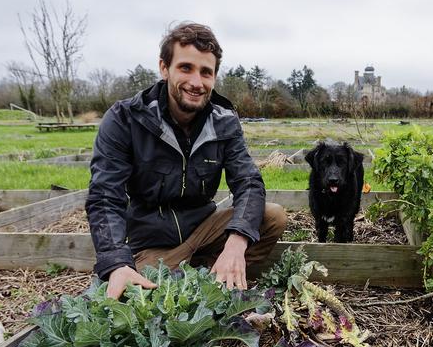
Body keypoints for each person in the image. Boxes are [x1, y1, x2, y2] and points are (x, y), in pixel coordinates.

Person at [85, 22, 287, 299]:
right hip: (153, 244)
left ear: (214, 77)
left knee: (272, 216)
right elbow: (105, 195)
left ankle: (211, 271)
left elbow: (249, 183)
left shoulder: (224, 121)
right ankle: (197, 279)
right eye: (185, 68)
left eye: (206, 72)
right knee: (136, 299)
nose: (196, 82)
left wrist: (237, 242)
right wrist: (117, 262)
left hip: (203, 230)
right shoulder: (125, 118)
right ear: (164, 67)